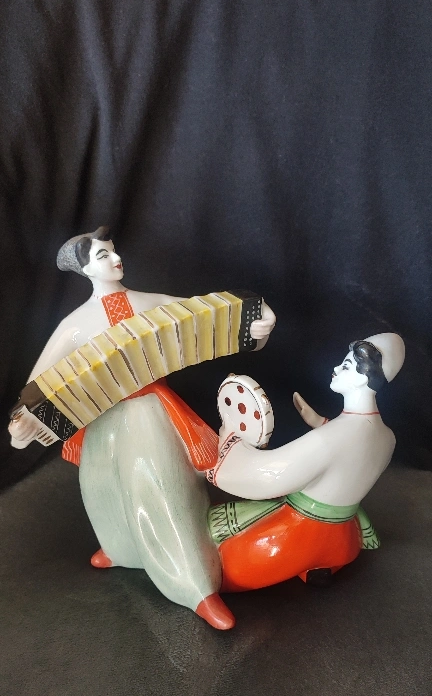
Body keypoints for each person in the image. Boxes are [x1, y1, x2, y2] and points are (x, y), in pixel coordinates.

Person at [9, 226, 276, 629]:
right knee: (100, 487)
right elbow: (39, 381)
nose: (116, 259)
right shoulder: (75, 325)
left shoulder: (150, 303)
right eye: (103, 256)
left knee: (162, 490)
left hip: (148, 412)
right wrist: (23, 419)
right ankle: (120, 548)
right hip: (102, 420)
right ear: (85, 270)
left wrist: (253, 324)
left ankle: (196, 586)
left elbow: (208, 318)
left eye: (113, 251)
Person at [207, 334, 405, 590]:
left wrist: (229, 443)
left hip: (301, 533)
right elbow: (352, 453)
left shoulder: (333, 438)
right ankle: (322, 566)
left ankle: (305, 561)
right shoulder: (388, 437)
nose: (336, 368)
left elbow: (269, 477)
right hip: (345, 536)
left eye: (346, 365)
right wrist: (318, 422)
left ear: (363, 377)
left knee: (220, 561)